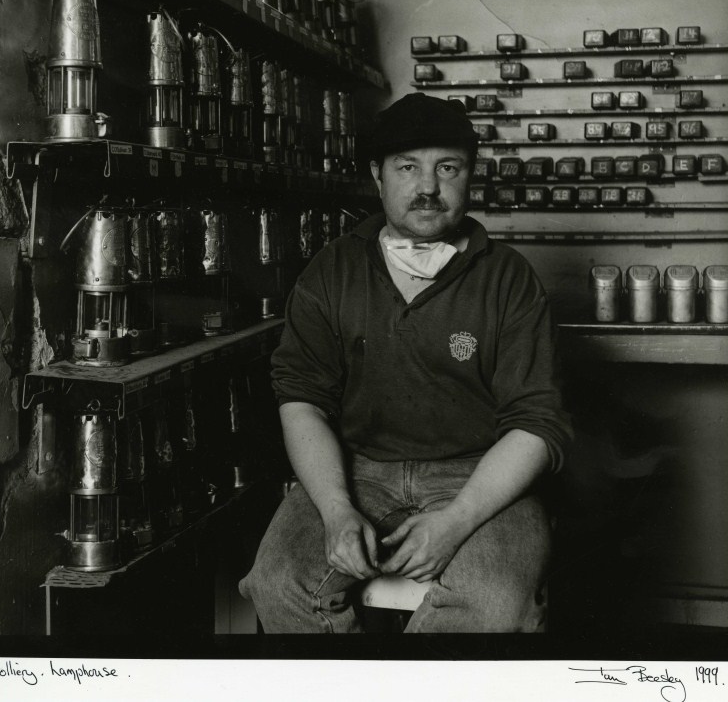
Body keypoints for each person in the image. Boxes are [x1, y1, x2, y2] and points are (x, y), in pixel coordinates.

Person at [239, 92, 572, 633]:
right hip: (356, 467)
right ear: (378, 175)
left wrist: (456, 522)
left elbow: (537, 422)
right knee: (278, 585)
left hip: (478, 472)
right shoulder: (332, 271)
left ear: (470, 175)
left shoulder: (508, 278)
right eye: (407, 167)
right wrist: (335, 509)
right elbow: (302, 399)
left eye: (447, 167)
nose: (426, 187)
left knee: (490, 601)